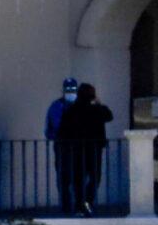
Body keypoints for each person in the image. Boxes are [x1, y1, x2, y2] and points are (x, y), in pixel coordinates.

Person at [55, 82, 114, 217]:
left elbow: (63, 131)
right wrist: (98, 103)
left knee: (78, 178)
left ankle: (79, 206)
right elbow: (109, 116)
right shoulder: (96, 109)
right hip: (94, 148)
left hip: (77, 149)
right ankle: (87, 201)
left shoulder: (71, 110)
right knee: (95, 176)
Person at [46, 77, 80, 213]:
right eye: (68, 89)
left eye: (73, 89)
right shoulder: (57, 106)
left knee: (79, 176)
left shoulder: (81, 105)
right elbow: (54, 125)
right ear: (63, 90)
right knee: (64, 176)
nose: (70, 92)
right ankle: (66, 206)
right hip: (63, 146)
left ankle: (79, 205)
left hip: (79, 146)